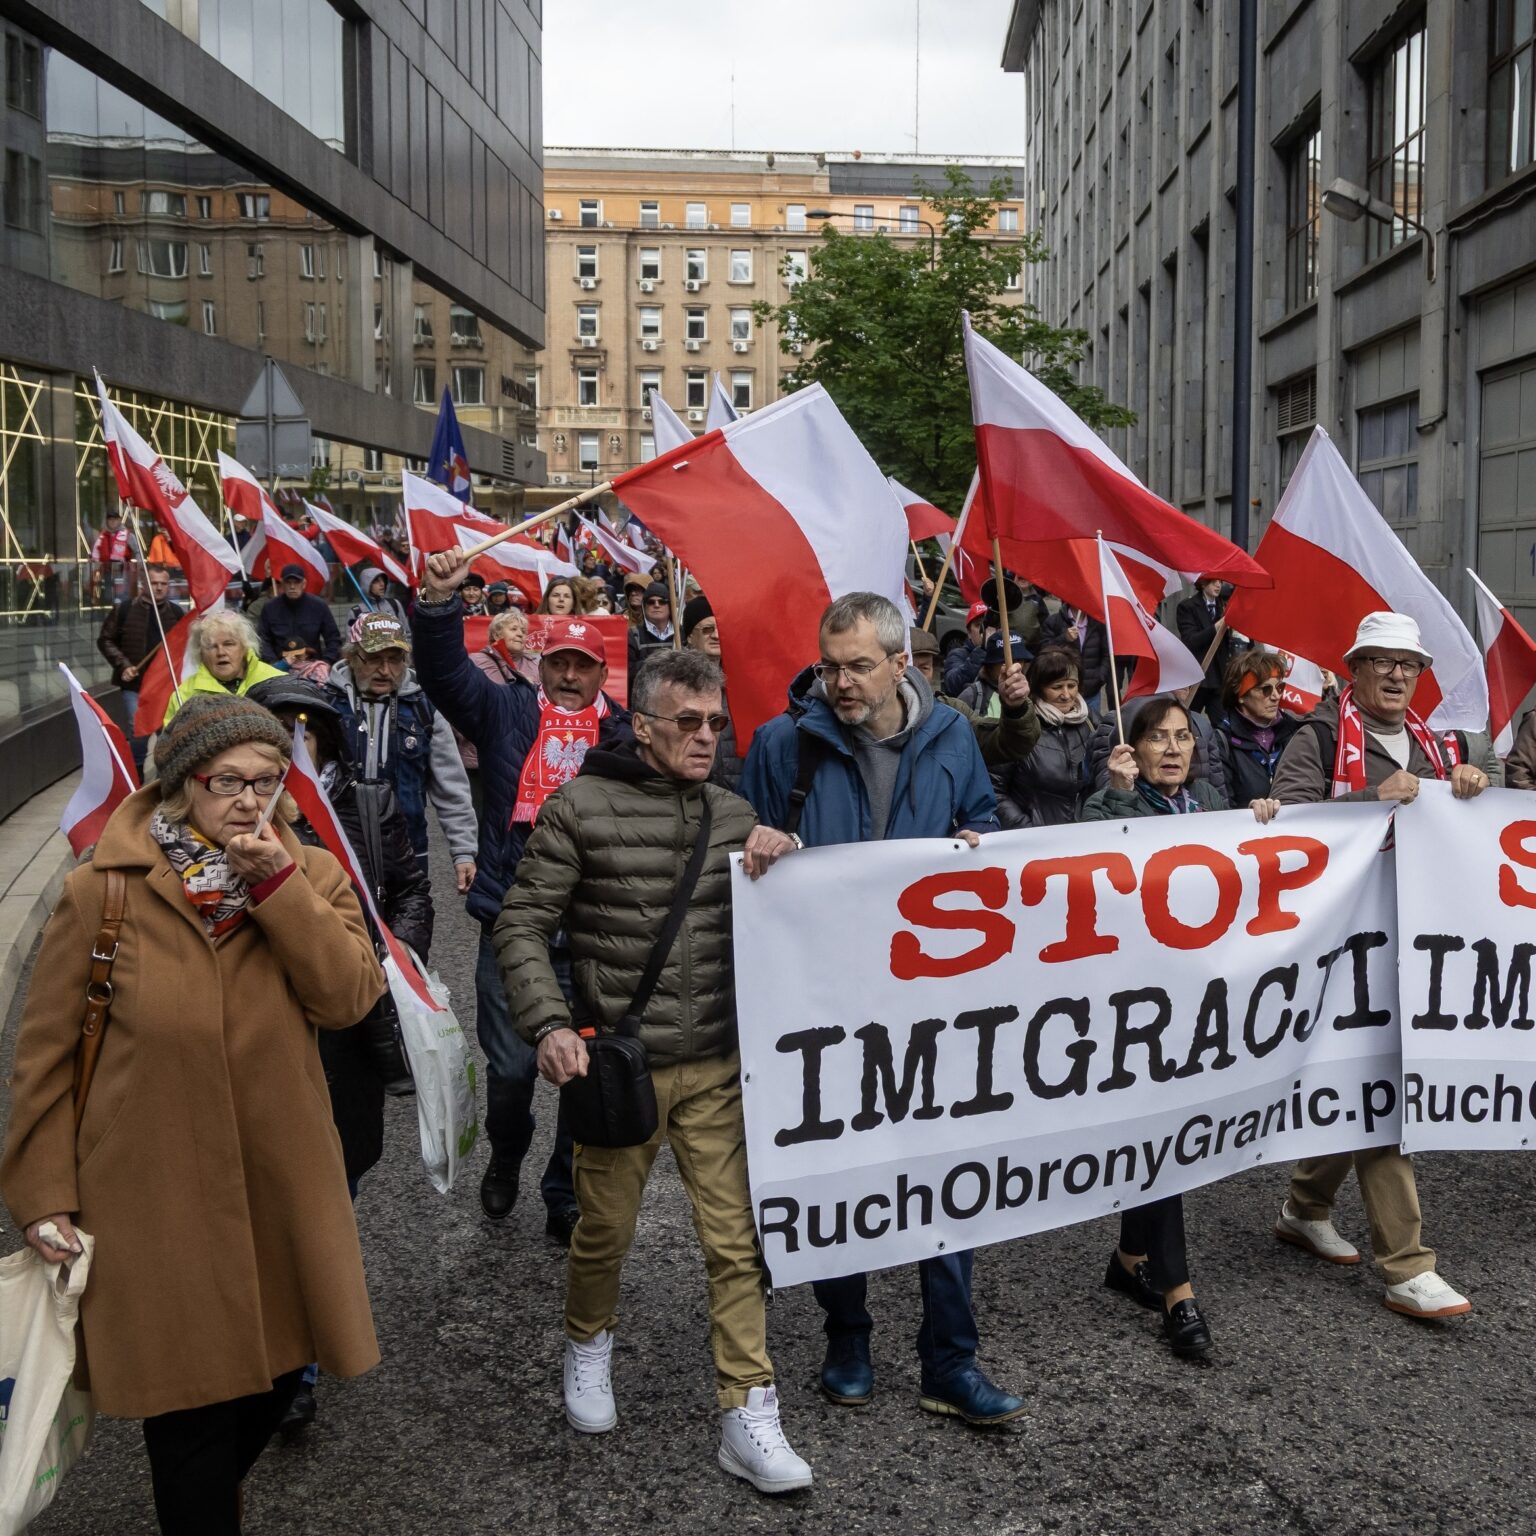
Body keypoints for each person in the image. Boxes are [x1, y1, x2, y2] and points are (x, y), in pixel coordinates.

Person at [0, 694, 382, 1533]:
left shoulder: (308, 873)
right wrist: (42, 1194)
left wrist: (277, 887)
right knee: (190, 1417)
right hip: (151, 1191)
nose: (251, 801)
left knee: (281, 1372)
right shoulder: (102, 890)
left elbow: (351, 996)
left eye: (269, 782)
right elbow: (44, 1058)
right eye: (228, 782)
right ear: (181, 788)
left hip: (279, 1187)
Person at [495, 649, 812, 1493]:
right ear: (642, 726)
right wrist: (550, 1025)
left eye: (716, 722)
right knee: (604, 1232)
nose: (707, 736)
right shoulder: (580, 808)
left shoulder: (735, 811)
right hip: (619, 1070)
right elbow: (520, 924)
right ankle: (588, 1344)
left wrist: (785, 851)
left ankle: (747, 1409)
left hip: (715, 1066)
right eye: (688, 722)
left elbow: (796, 914)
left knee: (736, 1244)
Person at [740, 592, 1023, 1426]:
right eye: (829, 666)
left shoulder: (952, 738)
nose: (839, 683)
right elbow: (739, 842)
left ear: (904, 663)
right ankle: (848, 1336)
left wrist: (981, 842)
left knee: (947, 1175)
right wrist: (760, 843)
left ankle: (950, 1361)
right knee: (842, 1167)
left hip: (934, 1002)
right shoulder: (782, 744)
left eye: (858, 666)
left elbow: (980, 824)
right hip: (822, 1000)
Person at [1263, 611, 1494, 1319]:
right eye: (1384, 662)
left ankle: (1305, 1206)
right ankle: (1406, 1265)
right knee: (1379, 1088)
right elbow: (1287, 833)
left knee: (1357, 1077)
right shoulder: (1321, 737)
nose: (1398, 676)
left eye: (1410, 666)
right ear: (1354, 668)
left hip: (1410, 942)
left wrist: (1471, 788)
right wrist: (1369, 800)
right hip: (1341, 948)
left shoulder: (1433, 744)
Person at [414, 547, 631, 1239]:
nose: (569, 675)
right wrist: (441, 606)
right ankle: (507, 1153)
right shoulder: (504, 710)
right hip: (513, 920)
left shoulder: (626, 734)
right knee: (510, 1070)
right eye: (559, 662)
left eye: (583, 666)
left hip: (595, 929)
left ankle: (562, 1189)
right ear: (542, 665)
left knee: (584, 1070)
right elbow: (445, 675)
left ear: (601, 673)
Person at [248, 677, 427, 1433]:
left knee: (335, 1184)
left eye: (307, 729)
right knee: (269, 1189)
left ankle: (308, 1339)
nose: (294, 742)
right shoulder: (235, 817)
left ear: (329, 738)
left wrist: (395, 957)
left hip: (351, 1029)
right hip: (266, 1029)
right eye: (278, 730)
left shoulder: (369, 803)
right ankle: (286, 1361)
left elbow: (411, 889)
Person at [1079, 695, 1223, 1356]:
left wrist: (1264, 822)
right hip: (1133, 1006)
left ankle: (1131, 1256)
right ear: (1132, 748)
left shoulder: (1212, 809)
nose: (1172, 748)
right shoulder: (1115, 808)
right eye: (1157, 737)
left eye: (1182, 737)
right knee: (1162, 1135)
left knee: (1163, 1131)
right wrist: (1113, 793)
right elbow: (1085, 861)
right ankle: (1179, 1293)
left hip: (1198, 1002)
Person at [323, 612, 478, 890]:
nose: (385, 670)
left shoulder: (424, 708)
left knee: (409, 929)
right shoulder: (325, 706)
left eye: (395, 659)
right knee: (344, 930)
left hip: (408, 849)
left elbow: (451, 787)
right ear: (351, 656)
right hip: (338, 847)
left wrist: (463, 851)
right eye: (373, 659)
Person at [996, 645, 1098, 827]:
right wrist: (1027, 828)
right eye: (1057, 687)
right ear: (1039, 688)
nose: (1066, 695)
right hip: (1035, 842)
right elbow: (995, 791)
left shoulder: (1093, 723)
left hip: (1086, 838)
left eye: (1072, 686)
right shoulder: (1020, 726)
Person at [97, 562, 183, 771]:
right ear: (144, 584)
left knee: (167, 735)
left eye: (164, 583)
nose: (160, 587)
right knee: (138, 733)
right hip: (135, 685)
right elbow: (106, 640)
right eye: (154, 583)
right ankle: (136, 777)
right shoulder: (125, 610)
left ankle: (165, 780)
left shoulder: (176, 613)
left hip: (165, 687)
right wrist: (123, 665)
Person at [455, 609, 535, 813]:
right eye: (514, 629)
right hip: (481, 758)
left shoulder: (537, 665)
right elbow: (460, 704)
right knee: (482, 818)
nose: (520, 634)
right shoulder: (474, 662)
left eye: (523, 631)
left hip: (522, 757)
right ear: (497, 634)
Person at [163, 609, 283, 726]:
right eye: (211, 646)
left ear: (245, 648)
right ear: (200, 653)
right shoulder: (184, 695)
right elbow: (171, 743)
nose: (221, 652)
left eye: (228, 644)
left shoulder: (276, 681)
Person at [1212, 648, 1301, 803]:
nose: (1276, 696)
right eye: (1265, 689)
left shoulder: (1295, 731)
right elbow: (1222, 806)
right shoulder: (1222, 740)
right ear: (1241, 695)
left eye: (1279, 687)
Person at [683, 594, 744, 790]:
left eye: (720, 628)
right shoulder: (674, 683)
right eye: (708, 629)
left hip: (738, 795)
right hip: (692, 793)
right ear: (690, 636)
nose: (716, 635)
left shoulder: (743, 681)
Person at [1175, 575, 1238, 717]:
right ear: (1203, 584)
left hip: (1220, 678)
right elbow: (1191, 641)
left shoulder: (1224, 605)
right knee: (1190, 720)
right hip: (1199, 676)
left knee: (1223, 722)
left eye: (1220, 581)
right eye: (1214, 581)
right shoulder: (1187, 606)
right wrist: (1217, 626)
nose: (1218, 585)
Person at [257, 565, 341, 664]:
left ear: (304, 584)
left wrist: (326, 662)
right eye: (288, 583)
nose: (292, 587)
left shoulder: (318, 606)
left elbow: (333, 638)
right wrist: (273, 664)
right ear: (282, 584)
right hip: (279, 666)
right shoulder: (270, 608)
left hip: (312, 666)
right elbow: (263, 640)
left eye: (297, 582)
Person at [1042, 604, 1111, 709]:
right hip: (1064, 692)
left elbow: (1107, 654)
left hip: (1092, 692)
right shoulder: (1054, 621)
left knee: (1093, 723)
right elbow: (1043, 650)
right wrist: (1064, 638)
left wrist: (1100, 677)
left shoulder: (1098, 623)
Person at [957, 630, 1028, 719]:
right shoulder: (972, 696)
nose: (1013, 667)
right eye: (1004, 662)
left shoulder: (1029, 693)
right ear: (990, 665)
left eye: (1019, 661)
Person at [940, 600, 992, 697]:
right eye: (978, 625)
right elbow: (952, 685)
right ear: (969, 632)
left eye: (988, 624)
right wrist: (982, 650)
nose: (984, 630)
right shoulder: (957, 654)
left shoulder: (1002, 654)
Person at [90, 507, 133, 600]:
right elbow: (95, 556)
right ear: (107, 521)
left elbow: (137, 551)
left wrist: (138, 568)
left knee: (122, 597)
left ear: (119, 520)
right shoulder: (101, 536)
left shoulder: (127, 535)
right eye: (110, 519)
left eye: (115, 519)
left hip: (123, 571)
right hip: (106, 572)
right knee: (108, 597)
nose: (112, 521)